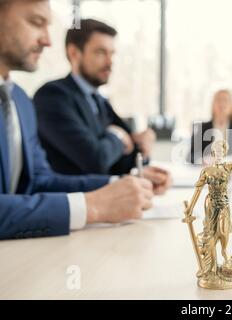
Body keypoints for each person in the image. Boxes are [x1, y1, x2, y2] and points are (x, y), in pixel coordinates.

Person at [0, 0, 153, 240]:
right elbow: (96, 157)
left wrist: (121, 184)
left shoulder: (19, 100)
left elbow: (40, 182)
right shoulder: (51, 96)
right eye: (36, 22)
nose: (48, 41)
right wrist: (91, 206)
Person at [33, 19, 171, 194]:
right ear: (74, 53)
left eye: (112, 53)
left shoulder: (100, 101)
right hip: (70, 207)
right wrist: (117, 137)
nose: (110, 62)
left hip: (105, 206)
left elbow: (125, 158)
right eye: (101, 53)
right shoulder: (52, 96)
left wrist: (143, 148)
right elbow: (95, 159)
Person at [189, 89, 232, 164]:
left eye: (225, 100)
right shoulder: (202, 128)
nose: (221, 104)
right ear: (213, 104)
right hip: (208, 172)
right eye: (218, 100)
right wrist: (202, 160)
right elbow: (190, 156)